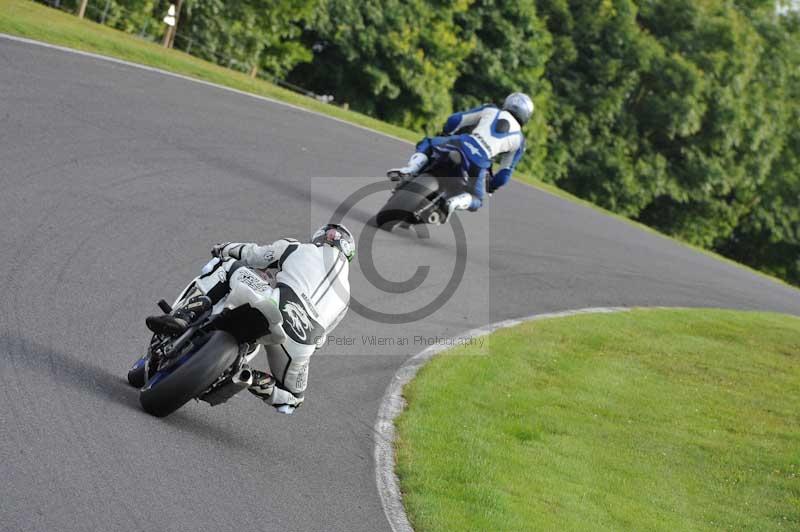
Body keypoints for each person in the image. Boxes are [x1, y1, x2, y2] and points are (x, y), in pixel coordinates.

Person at [145, 224, 354, 414]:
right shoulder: (345, 298)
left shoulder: (298, 247)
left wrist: (224, 248)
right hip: (300, 344)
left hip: (274, 304)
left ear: (320, 237)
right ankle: (248, 376)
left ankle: (184, 316)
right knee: (292, 400)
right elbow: (321, 340)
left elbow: (254, 255)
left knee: (229, 266)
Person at [387, 92, 533, 216]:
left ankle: (411, 169)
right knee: (477, 199)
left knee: (428, 143)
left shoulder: (491, 110)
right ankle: (455, 201)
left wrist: (446, 134)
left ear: (507, 103)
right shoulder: (520, 141)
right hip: (479, 162)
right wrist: (492, 186)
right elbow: (504, 175)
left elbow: (456, 119)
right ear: (526, 116)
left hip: (460, 142)